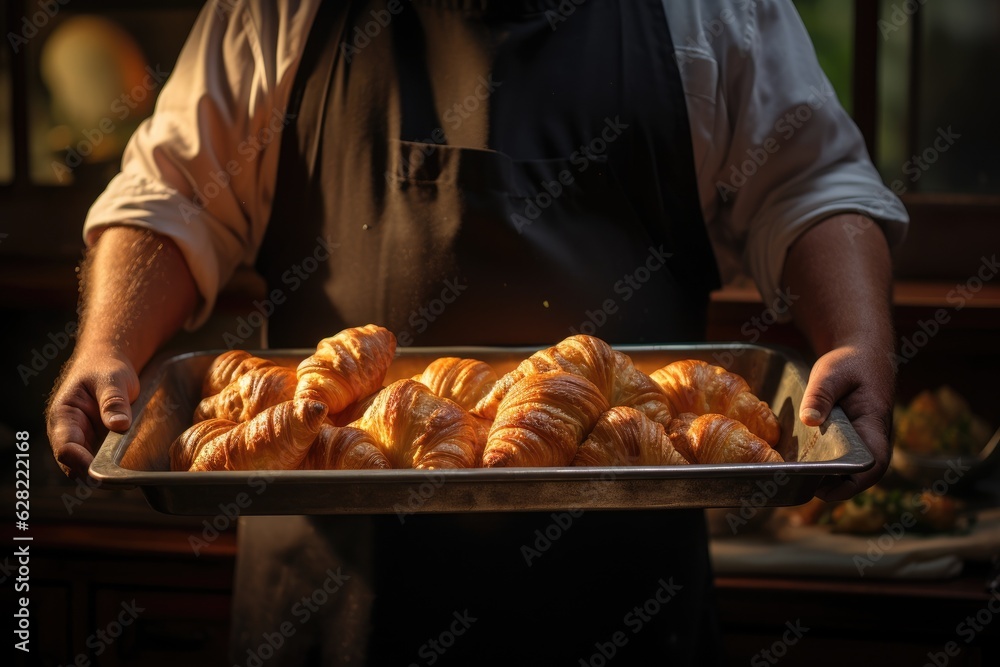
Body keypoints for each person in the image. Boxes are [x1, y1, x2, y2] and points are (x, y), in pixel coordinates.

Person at [46, 0, 908, 664]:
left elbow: (813, 186)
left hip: (621, 601)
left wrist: (858, 340)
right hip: (331, 603)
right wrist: (108, 346)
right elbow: (172, 194)